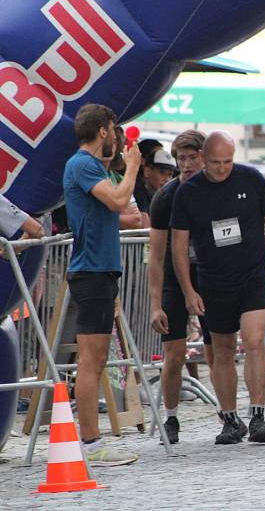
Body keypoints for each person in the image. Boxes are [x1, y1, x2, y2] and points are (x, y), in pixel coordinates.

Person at [170, 130, 265, 445]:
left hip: (252, 273)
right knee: (222, 350)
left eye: (227, 162)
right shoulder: (189, 192)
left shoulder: (250, 179)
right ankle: (229, 418)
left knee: (254, 342)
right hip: (213, 279)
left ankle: (258, 414)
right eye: (214, 163)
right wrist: (188, 290)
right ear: (203, 159)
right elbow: (178, 246)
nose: (222, 168)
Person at [63, 103, 141, 466]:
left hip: (103, 270)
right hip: (91, 272)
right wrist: (135, 167)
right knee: (91, 361)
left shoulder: (95, 167)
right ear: (105, 131)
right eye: (114, 129)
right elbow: (119, 200)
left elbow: (117, 212)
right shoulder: (82, 164)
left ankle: (92, 441)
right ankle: (91, 444)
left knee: (96, 359)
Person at [148, 129, 213, 444]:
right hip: (175, 277)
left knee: (217, 349)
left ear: (204, 157)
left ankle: (228, 412)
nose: (186, 165)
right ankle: (171, 417)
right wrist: (155, 304)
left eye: (192, 158)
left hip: (210, 274)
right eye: (181, 159)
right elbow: (156, 255)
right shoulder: (166, 196)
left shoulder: (216, 188)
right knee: (174, 354)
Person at [133, 145, 176, 227]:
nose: (167, 179)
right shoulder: (137, 189)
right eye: (162, 172)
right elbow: (146, 226)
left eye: (170, 174)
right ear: (147, 171)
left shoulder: (165, 194)